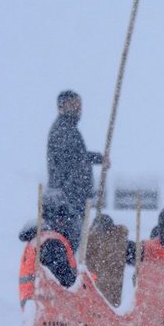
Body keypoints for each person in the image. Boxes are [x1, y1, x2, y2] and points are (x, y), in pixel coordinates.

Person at [47, 90, 107, 225]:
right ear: (62, 106)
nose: (78, 108)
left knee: (77, 237)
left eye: (79, 104)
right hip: (68, 198)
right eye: (73, 103)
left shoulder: (69, 129)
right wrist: (98, 159)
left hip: (74, 196)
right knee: (71, 239)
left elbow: (77, 155)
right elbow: (72, 158)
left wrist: (99, 159)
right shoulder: (63, 129)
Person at [18, 189, 78, 306]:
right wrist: (83, 281)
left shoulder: (40, 238)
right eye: (62, 217)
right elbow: (64, 280)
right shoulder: (52, 243)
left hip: (37, 304)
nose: (66, 222)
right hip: (49, 306)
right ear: (53, 217)